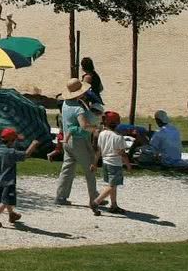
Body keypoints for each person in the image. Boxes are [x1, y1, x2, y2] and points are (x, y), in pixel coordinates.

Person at [55, 79, 100, 210]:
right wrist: (96, 129)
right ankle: (94, 199)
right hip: (78, 141)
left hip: (67, 140)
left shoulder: (65, 104)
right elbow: (84, 125)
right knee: (90, 168)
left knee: (67, 169)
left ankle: (61, 196)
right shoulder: (78, 108)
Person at [0, 128, 40, 227]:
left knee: (5, 199)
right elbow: (25, 155)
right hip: (9, 181)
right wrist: (33, 144)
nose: (15, 142)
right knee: (6, 201)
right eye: (14, 140)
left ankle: (12, 215)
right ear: (11, 141)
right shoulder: (11, 152)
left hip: (0, 180)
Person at [91, 110, 131, 214]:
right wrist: (128, 165)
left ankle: (114, 205)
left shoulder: (102, 134)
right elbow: (122, 154)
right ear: (117, 123)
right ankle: (96, 202)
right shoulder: (118, 137)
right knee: (112, 185)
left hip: (105, 162)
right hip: (115, 164)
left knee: (112, 184)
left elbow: (98, 151)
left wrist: (94, 163)